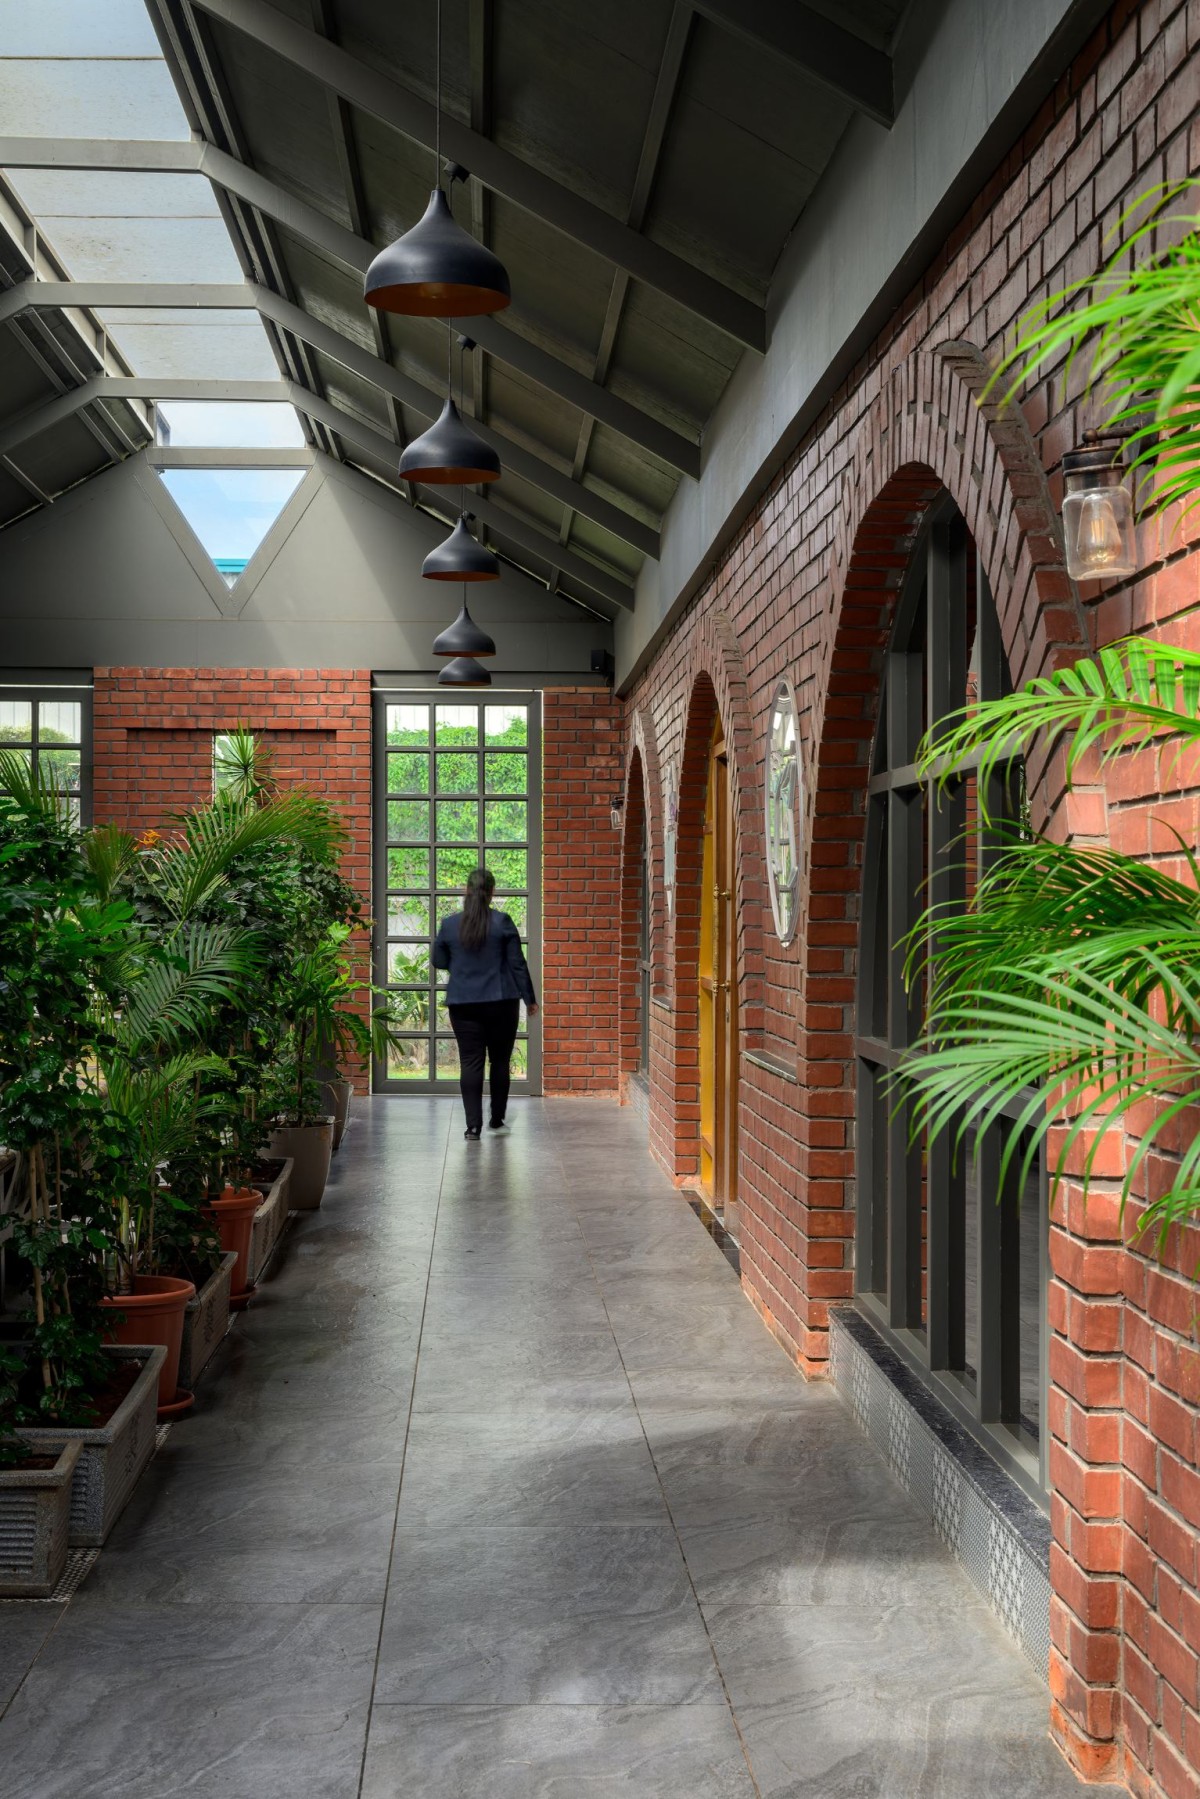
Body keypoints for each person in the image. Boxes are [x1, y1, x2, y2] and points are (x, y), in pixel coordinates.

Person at [432, 866, 538, 1140]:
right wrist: (530, 999)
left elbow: (439, 961)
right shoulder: (502, 922)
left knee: (470, 1061)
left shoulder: (449, 924)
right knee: (500, 1061)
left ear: (466, 891)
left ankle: (473, 1127)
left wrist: (461, 965)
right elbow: (517, 964)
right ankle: (496, 1118)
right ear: (492, 892)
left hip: (463, 1003)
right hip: (501, 1002)